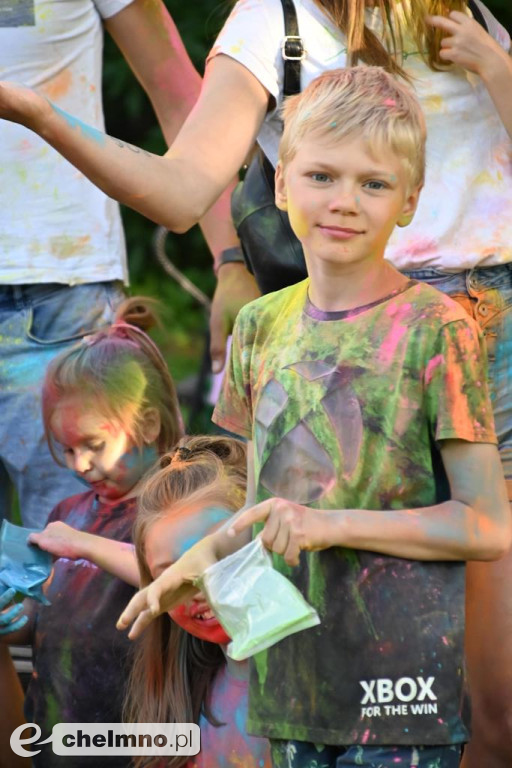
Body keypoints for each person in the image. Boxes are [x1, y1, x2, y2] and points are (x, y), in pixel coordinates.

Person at [0, 2, 511, 763]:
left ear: (406, 198)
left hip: (470, 329)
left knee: (493, 702)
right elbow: (244, 519)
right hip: (301, 683)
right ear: (280, 187)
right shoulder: (265, 329)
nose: (343, 199)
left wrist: (499, 68)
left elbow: (477, 525)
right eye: (321, 176)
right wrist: (41, 116)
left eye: (372, 183)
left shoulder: (470, 16)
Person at [0, 0, 242, 532]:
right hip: (58, 292)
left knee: (90, 563)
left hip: (59, 295)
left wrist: (232, 259)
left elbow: (180, 97)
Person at [0, 297, 182, 767]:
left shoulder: (176, 506)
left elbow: (178, 580)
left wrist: (82, 545)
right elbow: (47, 620)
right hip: (61, 736)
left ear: (146, 423)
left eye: (94, 445)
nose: (80, 465)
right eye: (66, 449)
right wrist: (14, 620)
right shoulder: (69, 511)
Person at [29, 435, 271, 768]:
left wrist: (84, 543)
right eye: (172, 577)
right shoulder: (182, 695)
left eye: (217, 558)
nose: (199, 587)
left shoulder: (300, 663)